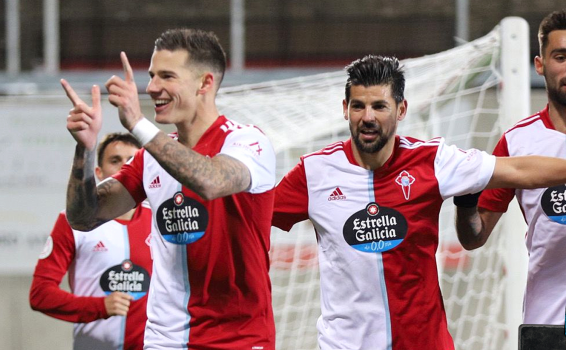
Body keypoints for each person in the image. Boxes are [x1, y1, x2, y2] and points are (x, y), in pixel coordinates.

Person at [272, 54, 566, 350]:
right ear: (345, 109)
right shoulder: (313, 173)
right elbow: (253, 216)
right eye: (358, 106)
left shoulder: (433, 160)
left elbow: (517, 170)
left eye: (379, 106)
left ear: (401, 110)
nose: (368, 117)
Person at [60, 29, 276, 349]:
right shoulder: (151, 156)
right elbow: (84, 217)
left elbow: (211, 181)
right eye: (151, 76)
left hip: (238, 339)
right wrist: (86, 149)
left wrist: (138, 124)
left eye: (167, 76)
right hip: (166, 339)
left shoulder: (247, 141)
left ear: (205, 83)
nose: (152, 88)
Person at [454, 9, 566, 325]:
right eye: (561, 57)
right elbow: (474, 237)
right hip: (547, 323)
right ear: (540, 65)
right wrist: (465, 202)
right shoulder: (516, 143)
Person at [29, 132, 152, 350]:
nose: (124, 167)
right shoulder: (73, 222)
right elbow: (40, 294)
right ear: (98, 172)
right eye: (115, 161)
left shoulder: (161, 223)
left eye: (132, 161)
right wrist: (100, 306)